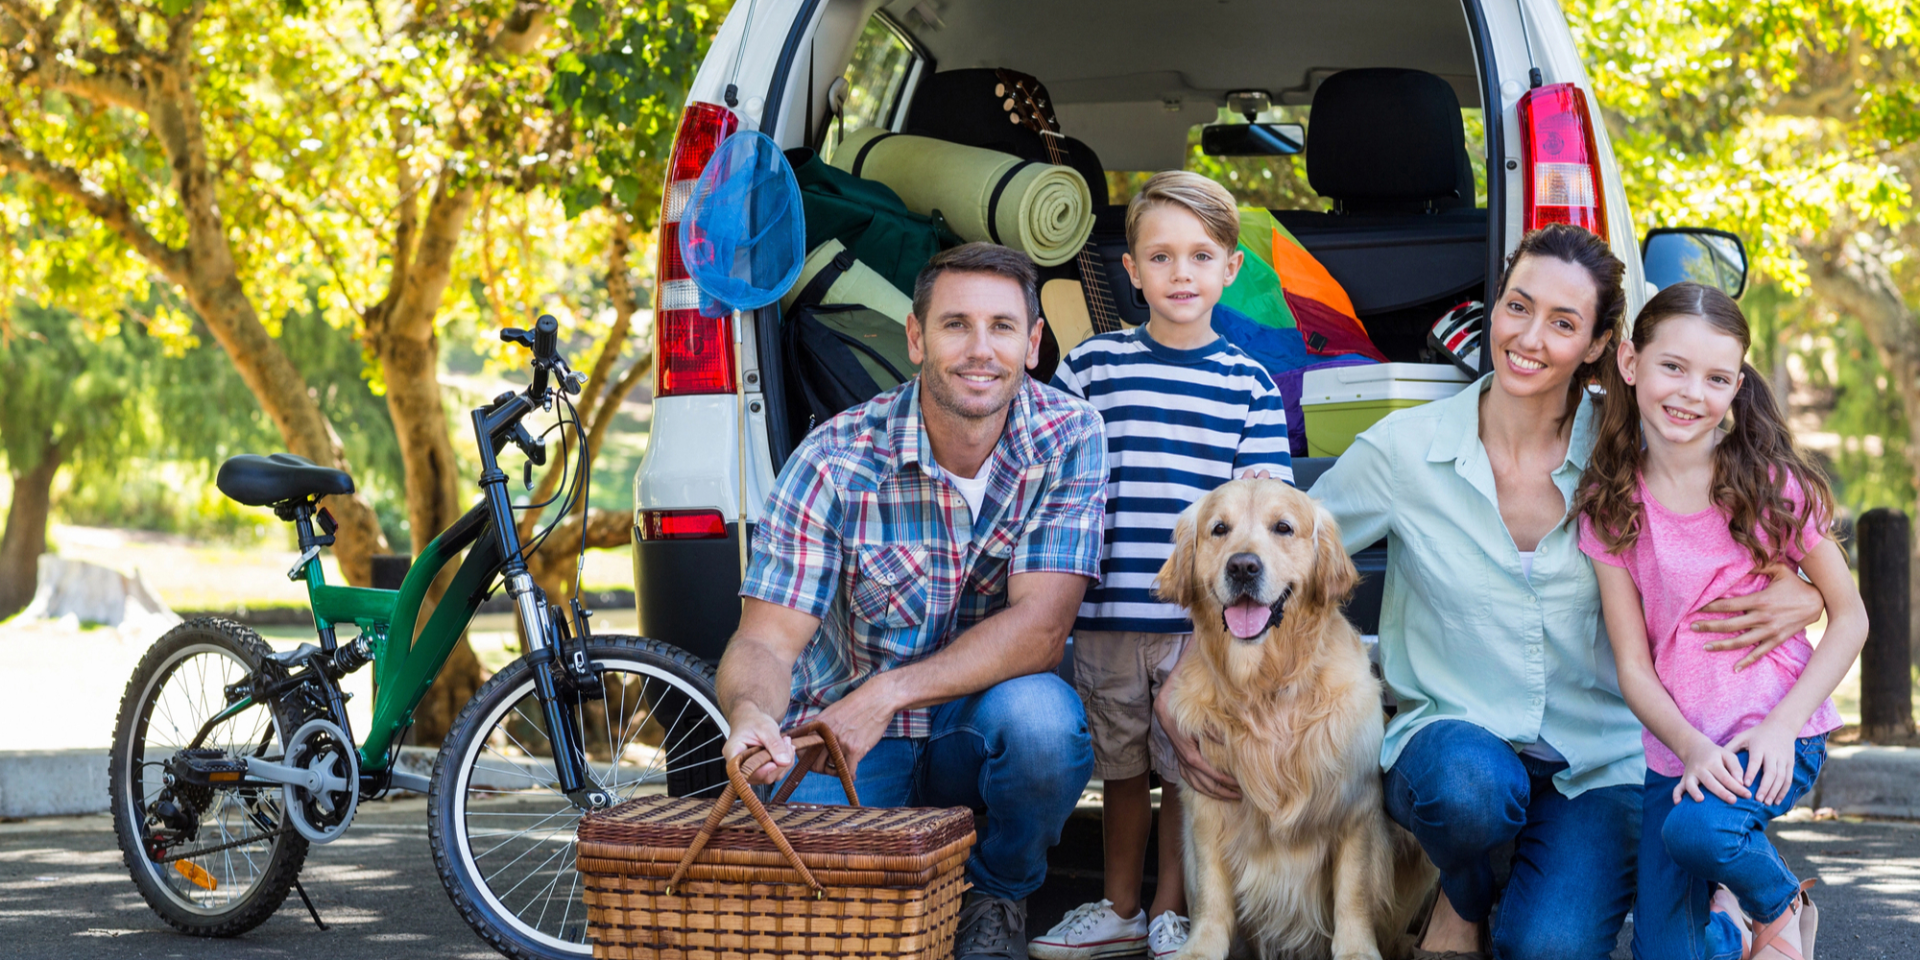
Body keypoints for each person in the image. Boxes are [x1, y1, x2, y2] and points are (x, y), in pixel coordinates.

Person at [1158, 224, 1828, 960]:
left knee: (1550, 949)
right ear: (1494, 307)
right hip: (1455, 747)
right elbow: (1270, 554)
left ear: (1601, 347)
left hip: (1595, 762)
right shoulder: (1404, 450)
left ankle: (1697, 898)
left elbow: (1748, 525)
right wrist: (1186, 676)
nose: (1529, 338)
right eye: (1518, 306)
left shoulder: (1633, 454)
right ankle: (1462, 895)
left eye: (1564, 323)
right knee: (1467, 792)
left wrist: (1811, 595)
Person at [717, 242, 1107, 960]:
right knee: (826, 917)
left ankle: (997, 893)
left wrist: (889, 692)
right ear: (916, 337)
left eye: (1001, 326)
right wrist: (750, 714)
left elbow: (1041, 630)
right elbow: (766, 640)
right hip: (843, 736)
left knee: (1047, 727)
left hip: (972, 723)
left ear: (1032, 343)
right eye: (956, 324)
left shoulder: (1070, 436)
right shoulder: (834, 459)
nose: (980, 349)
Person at [1032, 171, 1293, 960]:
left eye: (1201, 256)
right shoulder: (1091, 369)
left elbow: (1260, 523)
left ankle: (1174, 911)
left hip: (1201, 628)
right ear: (1132, 270)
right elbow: (1054, 484)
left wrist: (1217, 629)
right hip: (1108, 616)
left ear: (1231, 269)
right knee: (1118, 766)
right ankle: (1119, 907)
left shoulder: (1249, 386)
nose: (1182, 274)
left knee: (1189, 767)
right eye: (1161, 257)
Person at [1575, 282, 1865, 960]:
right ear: (1630, 363)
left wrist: (1785, 725)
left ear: (1736, 387)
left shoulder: (1768, 484)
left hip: (1774, 732)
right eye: (1672, 366)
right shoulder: (1612, 506)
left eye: (1715, 378)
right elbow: (1633, 666)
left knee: (1701, 834)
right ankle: (1729, 924)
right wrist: (1691, 748)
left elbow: (1849, 615)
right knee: (1664, 951)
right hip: (1679, 750)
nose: (1690, 393)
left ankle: (1781, 904)